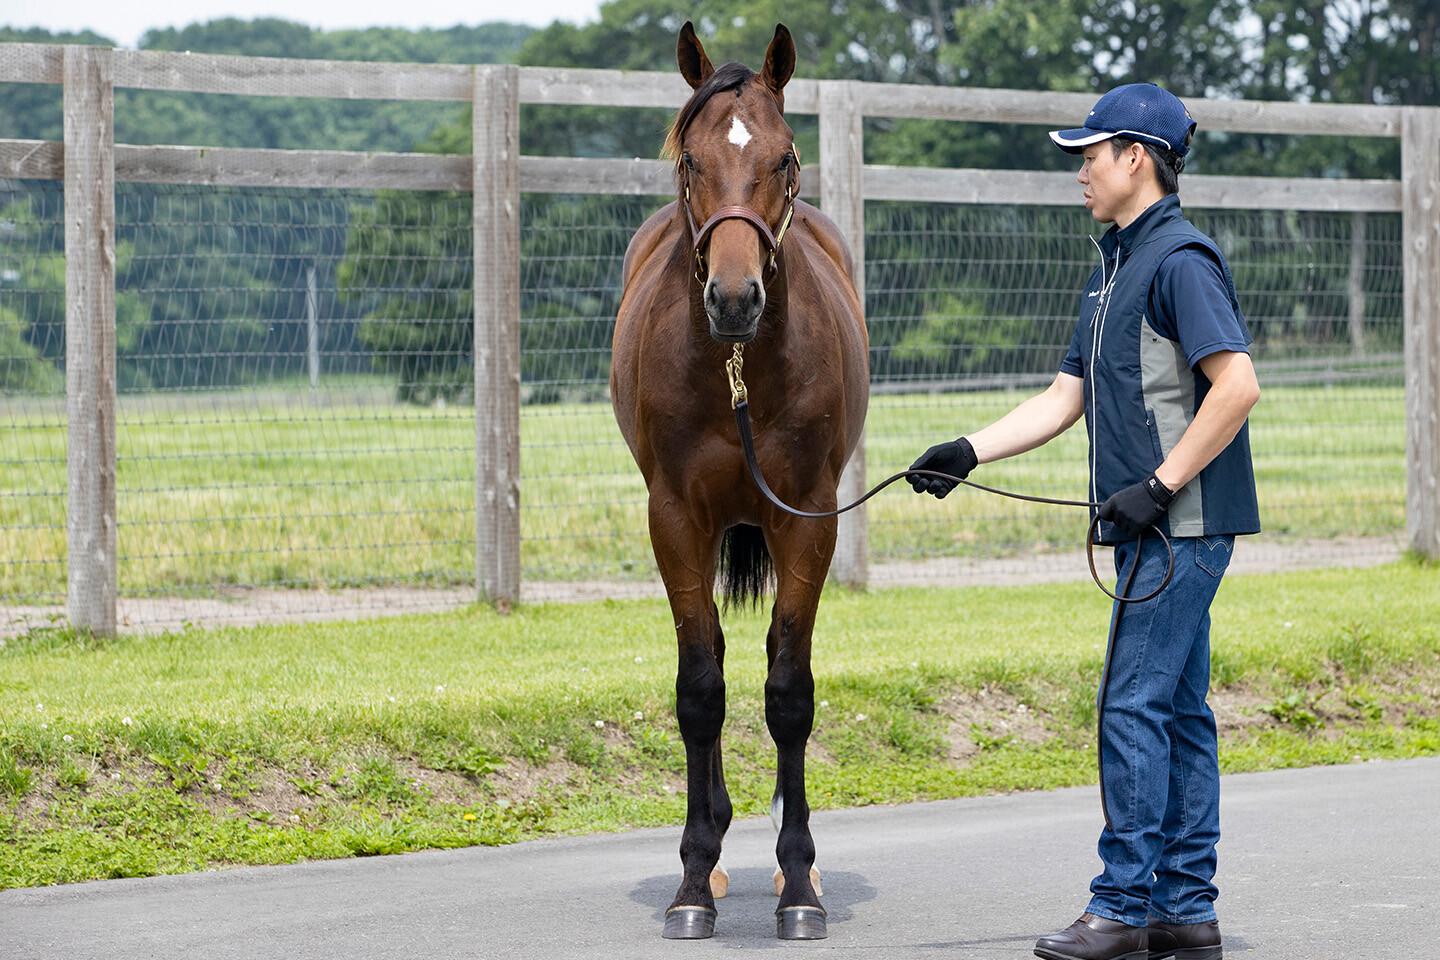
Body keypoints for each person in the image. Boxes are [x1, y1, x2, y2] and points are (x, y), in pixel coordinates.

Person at [908, 82, 1259, 960]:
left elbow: (1239, 386)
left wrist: (1161, 483)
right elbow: (1064, 398)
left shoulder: (1179, 259)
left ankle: (1123, 909)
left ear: (1136, 157)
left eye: (1090, 155)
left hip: (1180, 528)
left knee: (1131, 703)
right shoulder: (1112, 265)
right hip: (1160, 528)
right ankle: (1184, 911)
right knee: (1178, 711)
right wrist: (968, 451)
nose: (1080, 173)